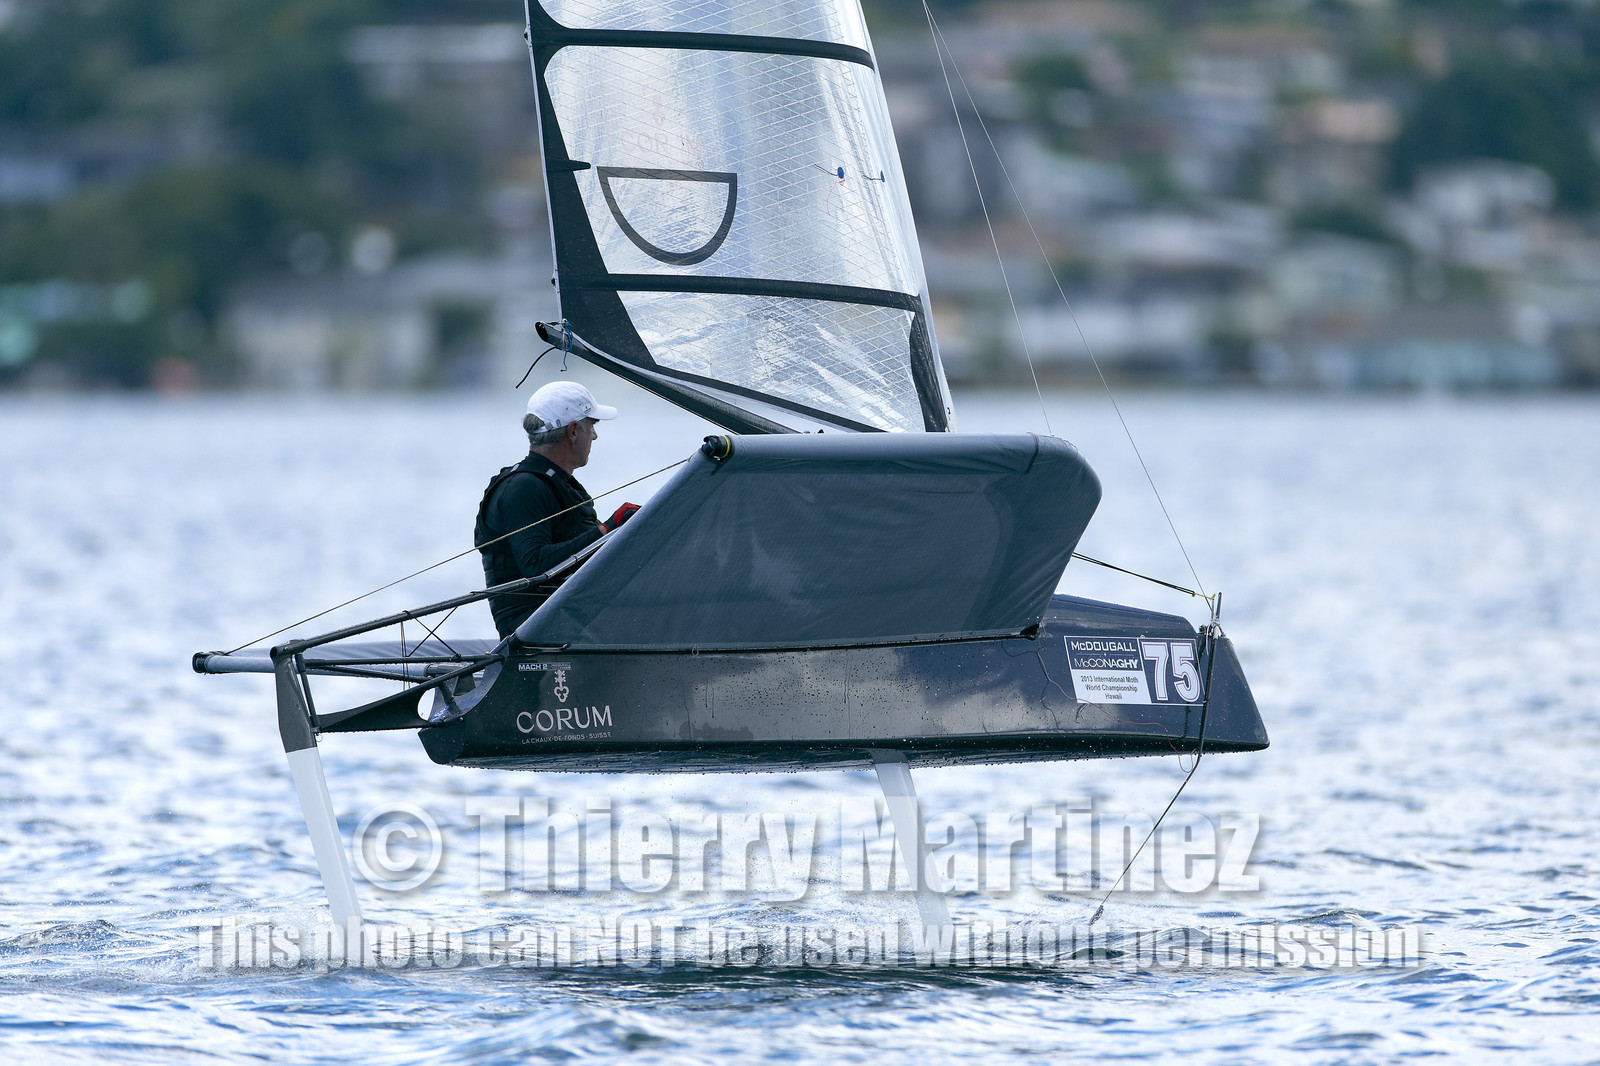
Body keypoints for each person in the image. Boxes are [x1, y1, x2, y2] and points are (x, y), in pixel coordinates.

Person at [475, 381, 640, 638]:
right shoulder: (523, 488)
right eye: (592, 425)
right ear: (573, 430)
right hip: (536, 634)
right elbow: (536, 565)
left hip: (573, 619)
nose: (595, 436)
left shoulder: (555, 481)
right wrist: (608, 529)